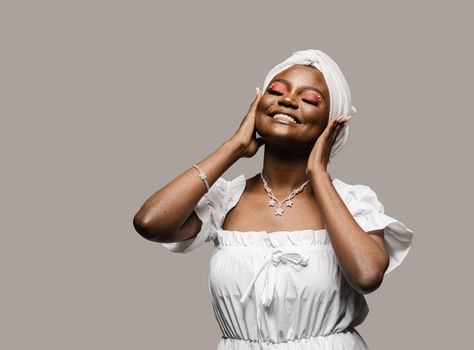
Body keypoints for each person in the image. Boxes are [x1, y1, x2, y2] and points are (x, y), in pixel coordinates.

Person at [133, 49, 414, 349]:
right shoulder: (226, 200)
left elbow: (367, 275)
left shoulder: (352, 201)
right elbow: (150, 222)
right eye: (277, 90)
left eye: (309, 99)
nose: (288, 100)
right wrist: (234, 147)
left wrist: (318, 173)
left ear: (333, 125)